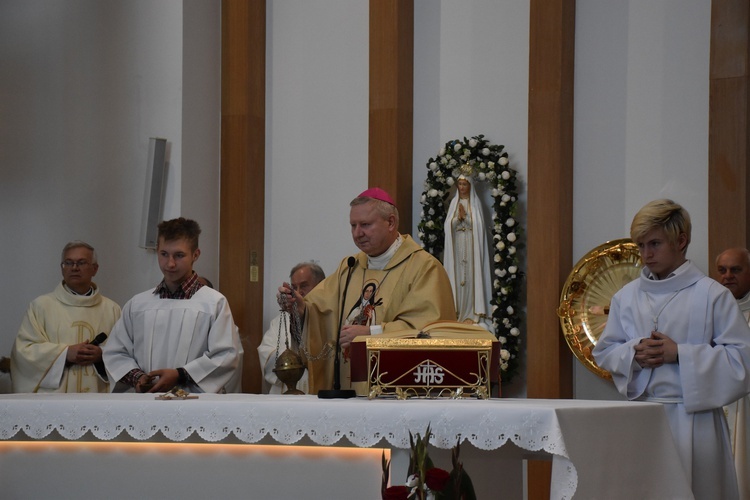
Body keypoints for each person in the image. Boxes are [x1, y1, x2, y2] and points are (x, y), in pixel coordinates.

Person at [593, 199, 750, 500]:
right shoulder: (627, 297)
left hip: (697, 421)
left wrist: (681, 354)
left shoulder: (712, 295)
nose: (646, 255)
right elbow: (605, 351)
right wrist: (634, 354)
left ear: (681, 241)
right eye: (640, 246)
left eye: (654, 243)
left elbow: (742, 361)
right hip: (641, 419)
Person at [278, 188, 456, 393]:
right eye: (353, 226)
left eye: (365, 225)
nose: (357, 233)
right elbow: (318, 311)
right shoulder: (351, 266)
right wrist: (299, 306)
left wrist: (371, 333)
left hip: (399, 393)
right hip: (348, 390)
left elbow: (430, 331)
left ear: (390, 223)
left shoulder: (424, 267)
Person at [103, 218, 243, 393]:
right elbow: (116, 352)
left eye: (179, 255)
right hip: (145, 402)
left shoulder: (214, 303)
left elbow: (224, 356)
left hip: (193, 404)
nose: (170, 263)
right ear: (157, 252)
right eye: (164, 254)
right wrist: (138, 377)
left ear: (196, 255)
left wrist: (180, 375)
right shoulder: (138, 304)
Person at [10, 241, 121, 393]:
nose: (74, 268)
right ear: (62, 269)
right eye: (68, 263)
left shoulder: (112, 309)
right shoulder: (41, 306)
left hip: (97, 397)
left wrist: (101, 354)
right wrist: (64, 353)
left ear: (95, 269)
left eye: (81, 263)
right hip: (53, 400)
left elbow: (124, 351)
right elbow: (23, 352)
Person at [258, 262, 325, 394]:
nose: (298, 292)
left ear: (320, 286)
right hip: (284, 393)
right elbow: (265, 353)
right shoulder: (278, 323)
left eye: (304, 285)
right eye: (294, 287)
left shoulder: (329, 318)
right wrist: (291, 360)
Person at [717, 247, 750, 499]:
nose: (727, 276)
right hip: (716, 402)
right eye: (722, 270)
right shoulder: (710, 311)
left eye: (736, 270)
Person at [443, 173, 492, 327]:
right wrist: (458, 219)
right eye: (460, 184)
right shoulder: (454, 204)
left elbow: (479, 227)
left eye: (465, 184)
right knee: (457, 278)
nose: (462, 187)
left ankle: (472, 313)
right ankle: (458, 313)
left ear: (470, 186)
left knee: (471, 278)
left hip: (471, 247)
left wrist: (467, 218)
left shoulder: (475, 204)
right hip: (457, 246)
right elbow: (448, 226)